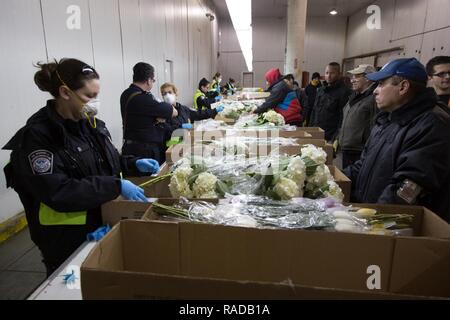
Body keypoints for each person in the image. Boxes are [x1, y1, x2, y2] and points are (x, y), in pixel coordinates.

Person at [2, 58, 160, 277]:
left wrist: (132, 163)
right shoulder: (38, 138)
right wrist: (114, 186)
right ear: (65, 92)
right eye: (89, 96)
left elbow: (107, 159)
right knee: (71, 289)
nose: (95, 103)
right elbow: (57, 191)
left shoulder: (89, 124)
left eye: (97, 96)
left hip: (99, 225)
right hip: (65, 240)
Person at [344, 58, 450, 222]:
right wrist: (332, 181)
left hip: (394, 226)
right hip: (370, 213)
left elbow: (410, 186)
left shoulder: (432, 125)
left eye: (381, 84)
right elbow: (363, 164)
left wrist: (375, 219)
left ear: (403, 87)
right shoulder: (386, 120)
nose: (375, 91)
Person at [121, 62, 178, 165]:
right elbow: (174, 112)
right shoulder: (143, 98)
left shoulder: (126, 94)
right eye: (153, 80)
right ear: (148, 80)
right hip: (144, 152)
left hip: (131, 148)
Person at [337, 64, 378, 169]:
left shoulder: (373, 99)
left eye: (357, 76)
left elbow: (375, 126)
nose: (352, 80)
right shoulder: (354, 96)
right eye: (352, 77)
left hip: (359, 151)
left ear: (368, 78)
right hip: (347, 149)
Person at [310, 63, 352, 142]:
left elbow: (342, 118)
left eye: (332, 73)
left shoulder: (344, 92)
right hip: (315, 133)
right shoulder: (321, 90)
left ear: (339, 74)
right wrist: (310, 129)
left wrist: (334, 139)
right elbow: (314, 110)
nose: (329, 76)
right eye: (327, 73)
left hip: (330, 136)